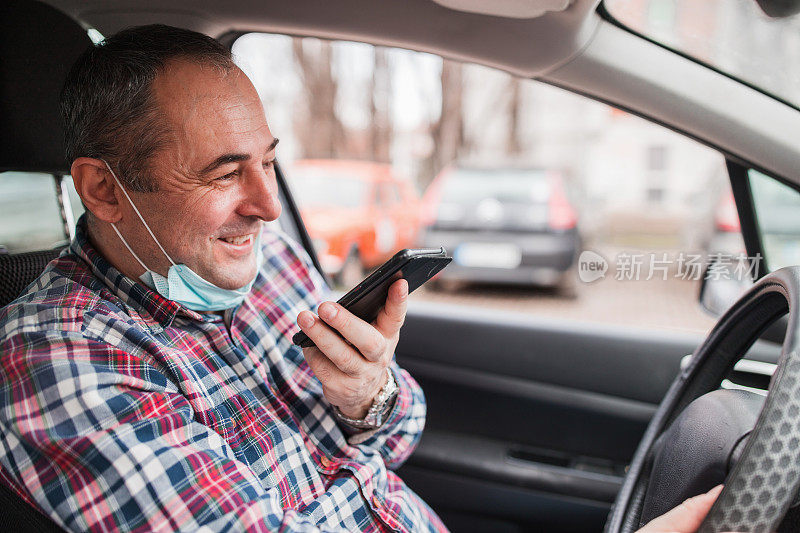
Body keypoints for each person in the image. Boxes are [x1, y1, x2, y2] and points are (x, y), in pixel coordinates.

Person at [0, 24, 723, 532]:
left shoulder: (263, 257)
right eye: (224, 173)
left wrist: (369, 396)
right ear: (103, 190)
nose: (266, 205)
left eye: (268, 161)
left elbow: (403, 427)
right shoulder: (55, 360)